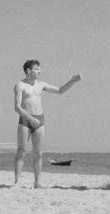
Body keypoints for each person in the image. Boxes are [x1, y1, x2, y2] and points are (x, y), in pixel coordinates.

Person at [14, 60, 82, 188]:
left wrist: (72, 81)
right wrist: (29, 118)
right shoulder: (20, 85)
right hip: (25, 119)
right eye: (37, 69)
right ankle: (17, 181)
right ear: (28, 70)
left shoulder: (41, 84)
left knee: (38, 153)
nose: (40, 71)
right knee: (22, 150)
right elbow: (17, 107)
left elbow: (60, 91)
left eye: (40, 69)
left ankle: (37, 182)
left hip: (39, 119)